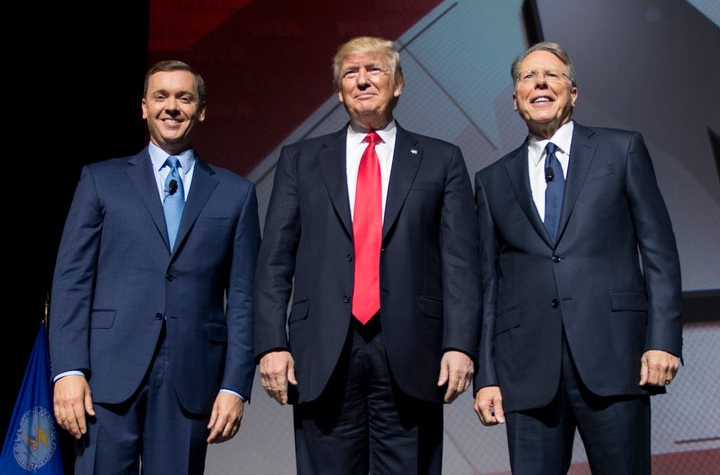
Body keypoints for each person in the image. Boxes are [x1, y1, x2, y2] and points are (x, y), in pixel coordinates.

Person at [254, 36, 481, 474]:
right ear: (339, 91)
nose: (362, 80)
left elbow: (461, 263)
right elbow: (274, 260)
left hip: (415, 350)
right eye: (350, 73)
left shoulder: (441, 159)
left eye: (374, 69)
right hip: (320, 351)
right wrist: (271, 344)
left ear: (397, 84)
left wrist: (460, 344)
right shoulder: (300, 160)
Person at [472, 41, 683, 474]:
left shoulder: (621, 150)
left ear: (573, 93)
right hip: (527, 375)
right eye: (528, 77)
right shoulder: (491, 181)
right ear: (515, 101)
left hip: (615, 359)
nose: (540, 83)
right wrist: (487, 376)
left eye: (553, 75)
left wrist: (662, 340)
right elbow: (489, 285)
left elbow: (659, 252)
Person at [49, 60, 261, 474]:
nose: (172, 107)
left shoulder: (236, 194)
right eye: (161, 96)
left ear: (201, 110)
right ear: (143, 107)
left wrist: (235, 385)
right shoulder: (100, 180)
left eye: (185, 97)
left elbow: (243, 299)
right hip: (105, 379)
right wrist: (69, 370)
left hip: (190, 379)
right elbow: (72, 281)